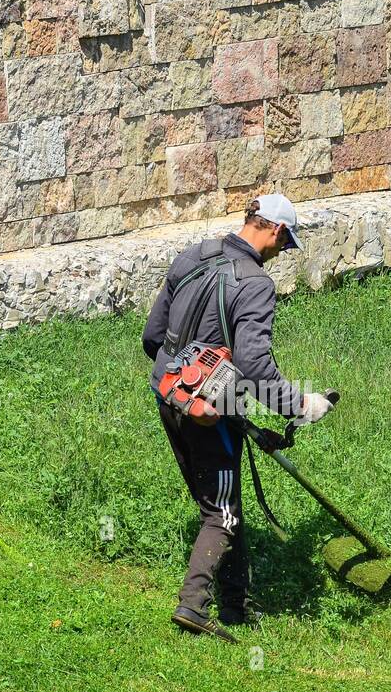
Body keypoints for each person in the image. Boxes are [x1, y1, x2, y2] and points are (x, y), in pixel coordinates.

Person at [142, 194, 334, 642]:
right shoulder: (255, 284)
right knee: (222, 512)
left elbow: (153, 338)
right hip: (208, 411)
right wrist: (300, 406)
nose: (279, 255)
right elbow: (253, 364)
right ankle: (193, 606)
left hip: (169, 396)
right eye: (284, 246)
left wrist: (186, 379)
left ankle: (235, 603)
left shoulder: (192, 255)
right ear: (277, 231)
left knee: (220, 502)